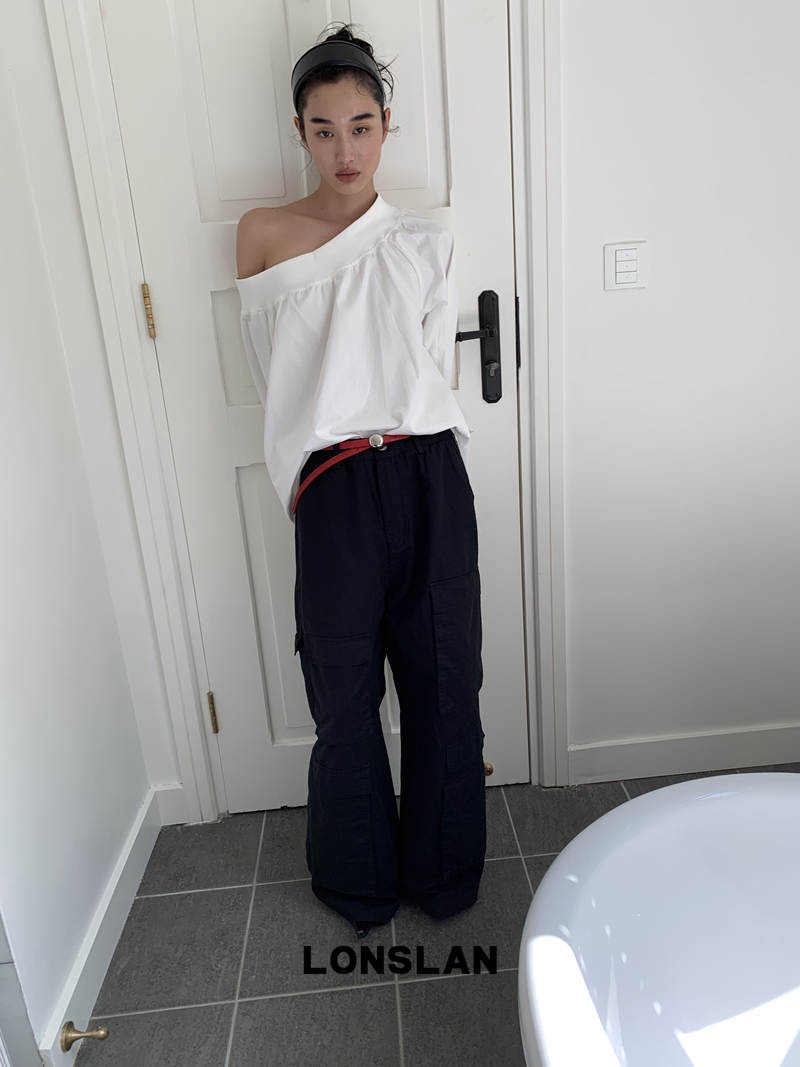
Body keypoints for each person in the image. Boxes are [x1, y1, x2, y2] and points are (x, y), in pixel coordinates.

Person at [235, 23, 486, 939]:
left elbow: (427, 369)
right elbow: (276, 375)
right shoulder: (262, 234)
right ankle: (358, 884)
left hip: (429, 473)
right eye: (324, 128)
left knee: (445, 682)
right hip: (334, 485)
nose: (345, 149)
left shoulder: (423, 239)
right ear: (300, 131)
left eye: (362, 126)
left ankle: (445, 876)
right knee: (343, 695)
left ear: (386, 126)